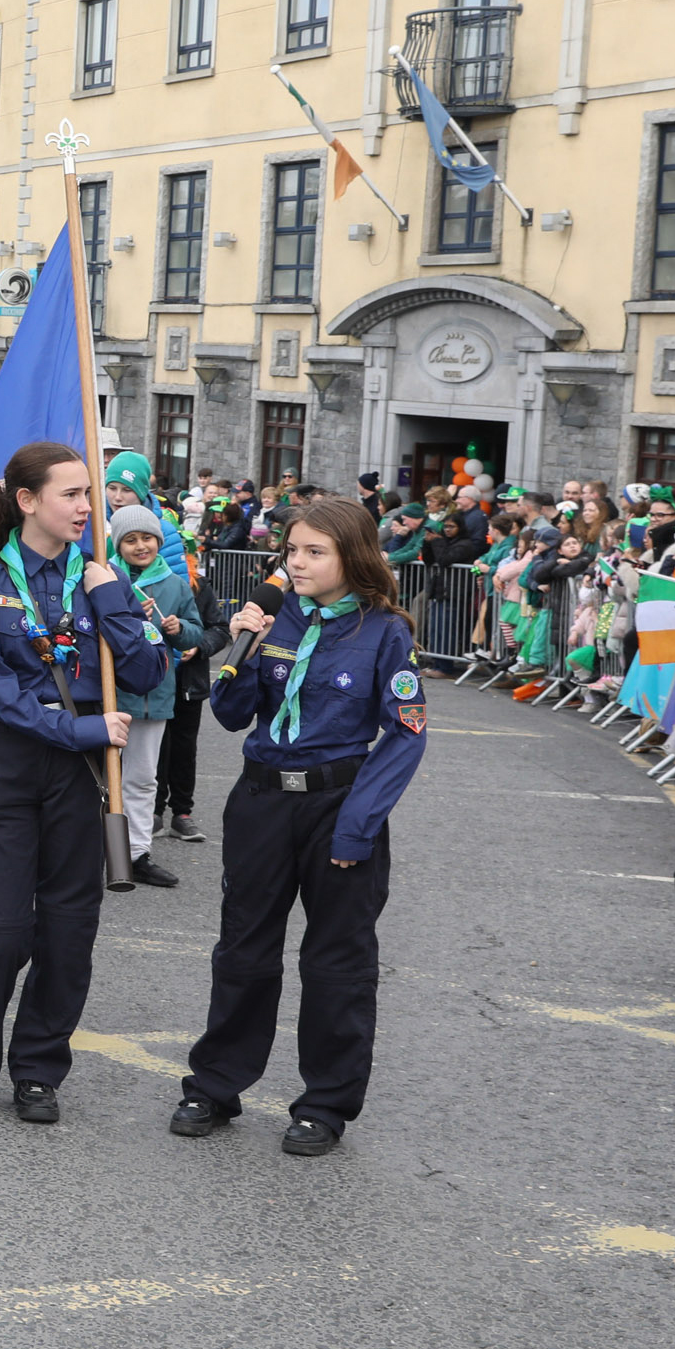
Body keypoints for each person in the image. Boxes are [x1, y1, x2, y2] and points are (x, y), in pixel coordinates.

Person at [171, 496, 424, 1157]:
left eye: (316, 551)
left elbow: (405, 735)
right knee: (243, 950)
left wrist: (357, 827)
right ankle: (215, 1085)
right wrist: (242, 646)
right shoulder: (275, 616)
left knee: (337, 960)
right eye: (292, 550)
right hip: (262, 800)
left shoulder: (384, 631)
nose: (298, 563)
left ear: (353, 557)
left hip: (336, 806)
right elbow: (232, 713)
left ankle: (324, 1105)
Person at [0, 440, 163, 1127]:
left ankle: (38, 1070)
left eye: (89, 494)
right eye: (72, 494)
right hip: (9, 763)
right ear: (28, 501)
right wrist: (82, 729)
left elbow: (147, 673)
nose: (87, 507)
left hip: (81, 777)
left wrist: (111, 597)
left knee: (67, 932)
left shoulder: (101, 576)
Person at [108, 506, 199, 890]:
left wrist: (179, 629)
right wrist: (129, 617)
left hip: (156, 697)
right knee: (100, 778)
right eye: (130, 540)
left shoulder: (175, 584)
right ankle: (96, 851)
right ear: (118, 545)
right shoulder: (103, 578)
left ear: (159, 541)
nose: (140, 546)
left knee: (143, 779)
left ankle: (136, 854)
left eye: (147, 538)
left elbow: (196, 633)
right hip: (111, 696)